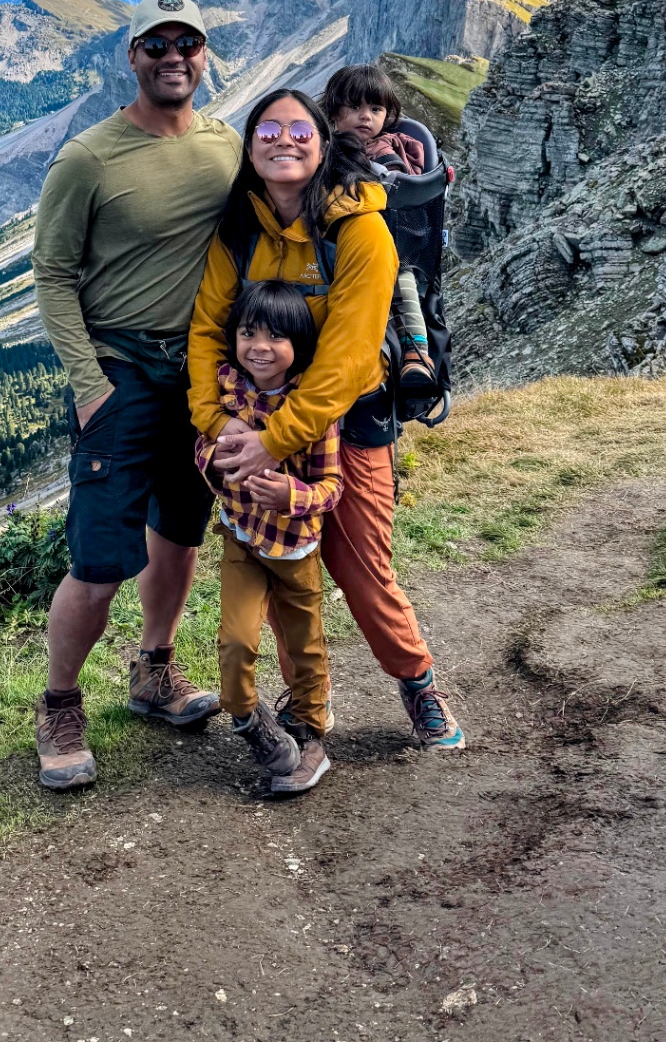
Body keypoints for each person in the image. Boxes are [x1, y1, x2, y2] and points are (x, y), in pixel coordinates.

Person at [189, 90, 463, 751]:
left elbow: (344, 362)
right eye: (268, 130)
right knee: (285, 562)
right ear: (250, 147)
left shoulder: (361, 229)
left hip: (352, 418)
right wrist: (214, 422)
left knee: (361, 567)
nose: (283, 140)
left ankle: (418, 682)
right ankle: (306, 704)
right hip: (258, 421)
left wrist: (268, 443)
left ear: (321, 141)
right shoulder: (241, 226)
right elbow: (206, 329)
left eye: (298, 130)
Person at [31, 0, 242, 790]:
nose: (173, 57)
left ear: (205, 54)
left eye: (187, 43)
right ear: (132, 57)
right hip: (118, 372)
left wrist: (396, 161)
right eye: (156, 45)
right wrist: (89, 386)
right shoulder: (89, 157)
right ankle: (57, 705)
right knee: (98, 559)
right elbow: (51, 273)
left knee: (180, 532)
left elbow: (302, 181)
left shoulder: (227, 144)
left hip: (196, 376)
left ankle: (154, 669)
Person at [195, 279, 341, 796]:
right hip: (242, 538)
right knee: (235, 640)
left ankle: (310, 731)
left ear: (298, 345)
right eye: (248, 332)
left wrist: (292, 497)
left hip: (296, 548)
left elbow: (332, 487)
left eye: (276, 336)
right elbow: (202, 448)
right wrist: (215, 460)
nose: (259, 345)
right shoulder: (229, 392)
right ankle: (248, 720)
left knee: (306, 648)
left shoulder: (312, 411)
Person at [321, 64, 435, 397]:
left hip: (389, 241)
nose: (365, 117)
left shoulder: (384, 149)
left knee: (402, 280)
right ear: (334, 110)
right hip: (333, 242)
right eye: (354, 107)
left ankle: (416, 353)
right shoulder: (322, 146)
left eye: (375, 109)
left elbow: (395, 182)